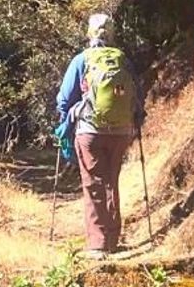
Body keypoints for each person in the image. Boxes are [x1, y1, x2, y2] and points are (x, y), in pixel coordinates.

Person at [56, 13, 144, 259]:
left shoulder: (82, 60)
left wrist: (66, 122)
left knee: (94, 183)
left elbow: (64, 99)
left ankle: (97, 243)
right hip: (122, 131)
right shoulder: (123, 60)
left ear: (89, 33)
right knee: (111, 181)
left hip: (90, 131)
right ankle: (113, 239)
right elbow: (138, 95)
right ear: (112, 33)